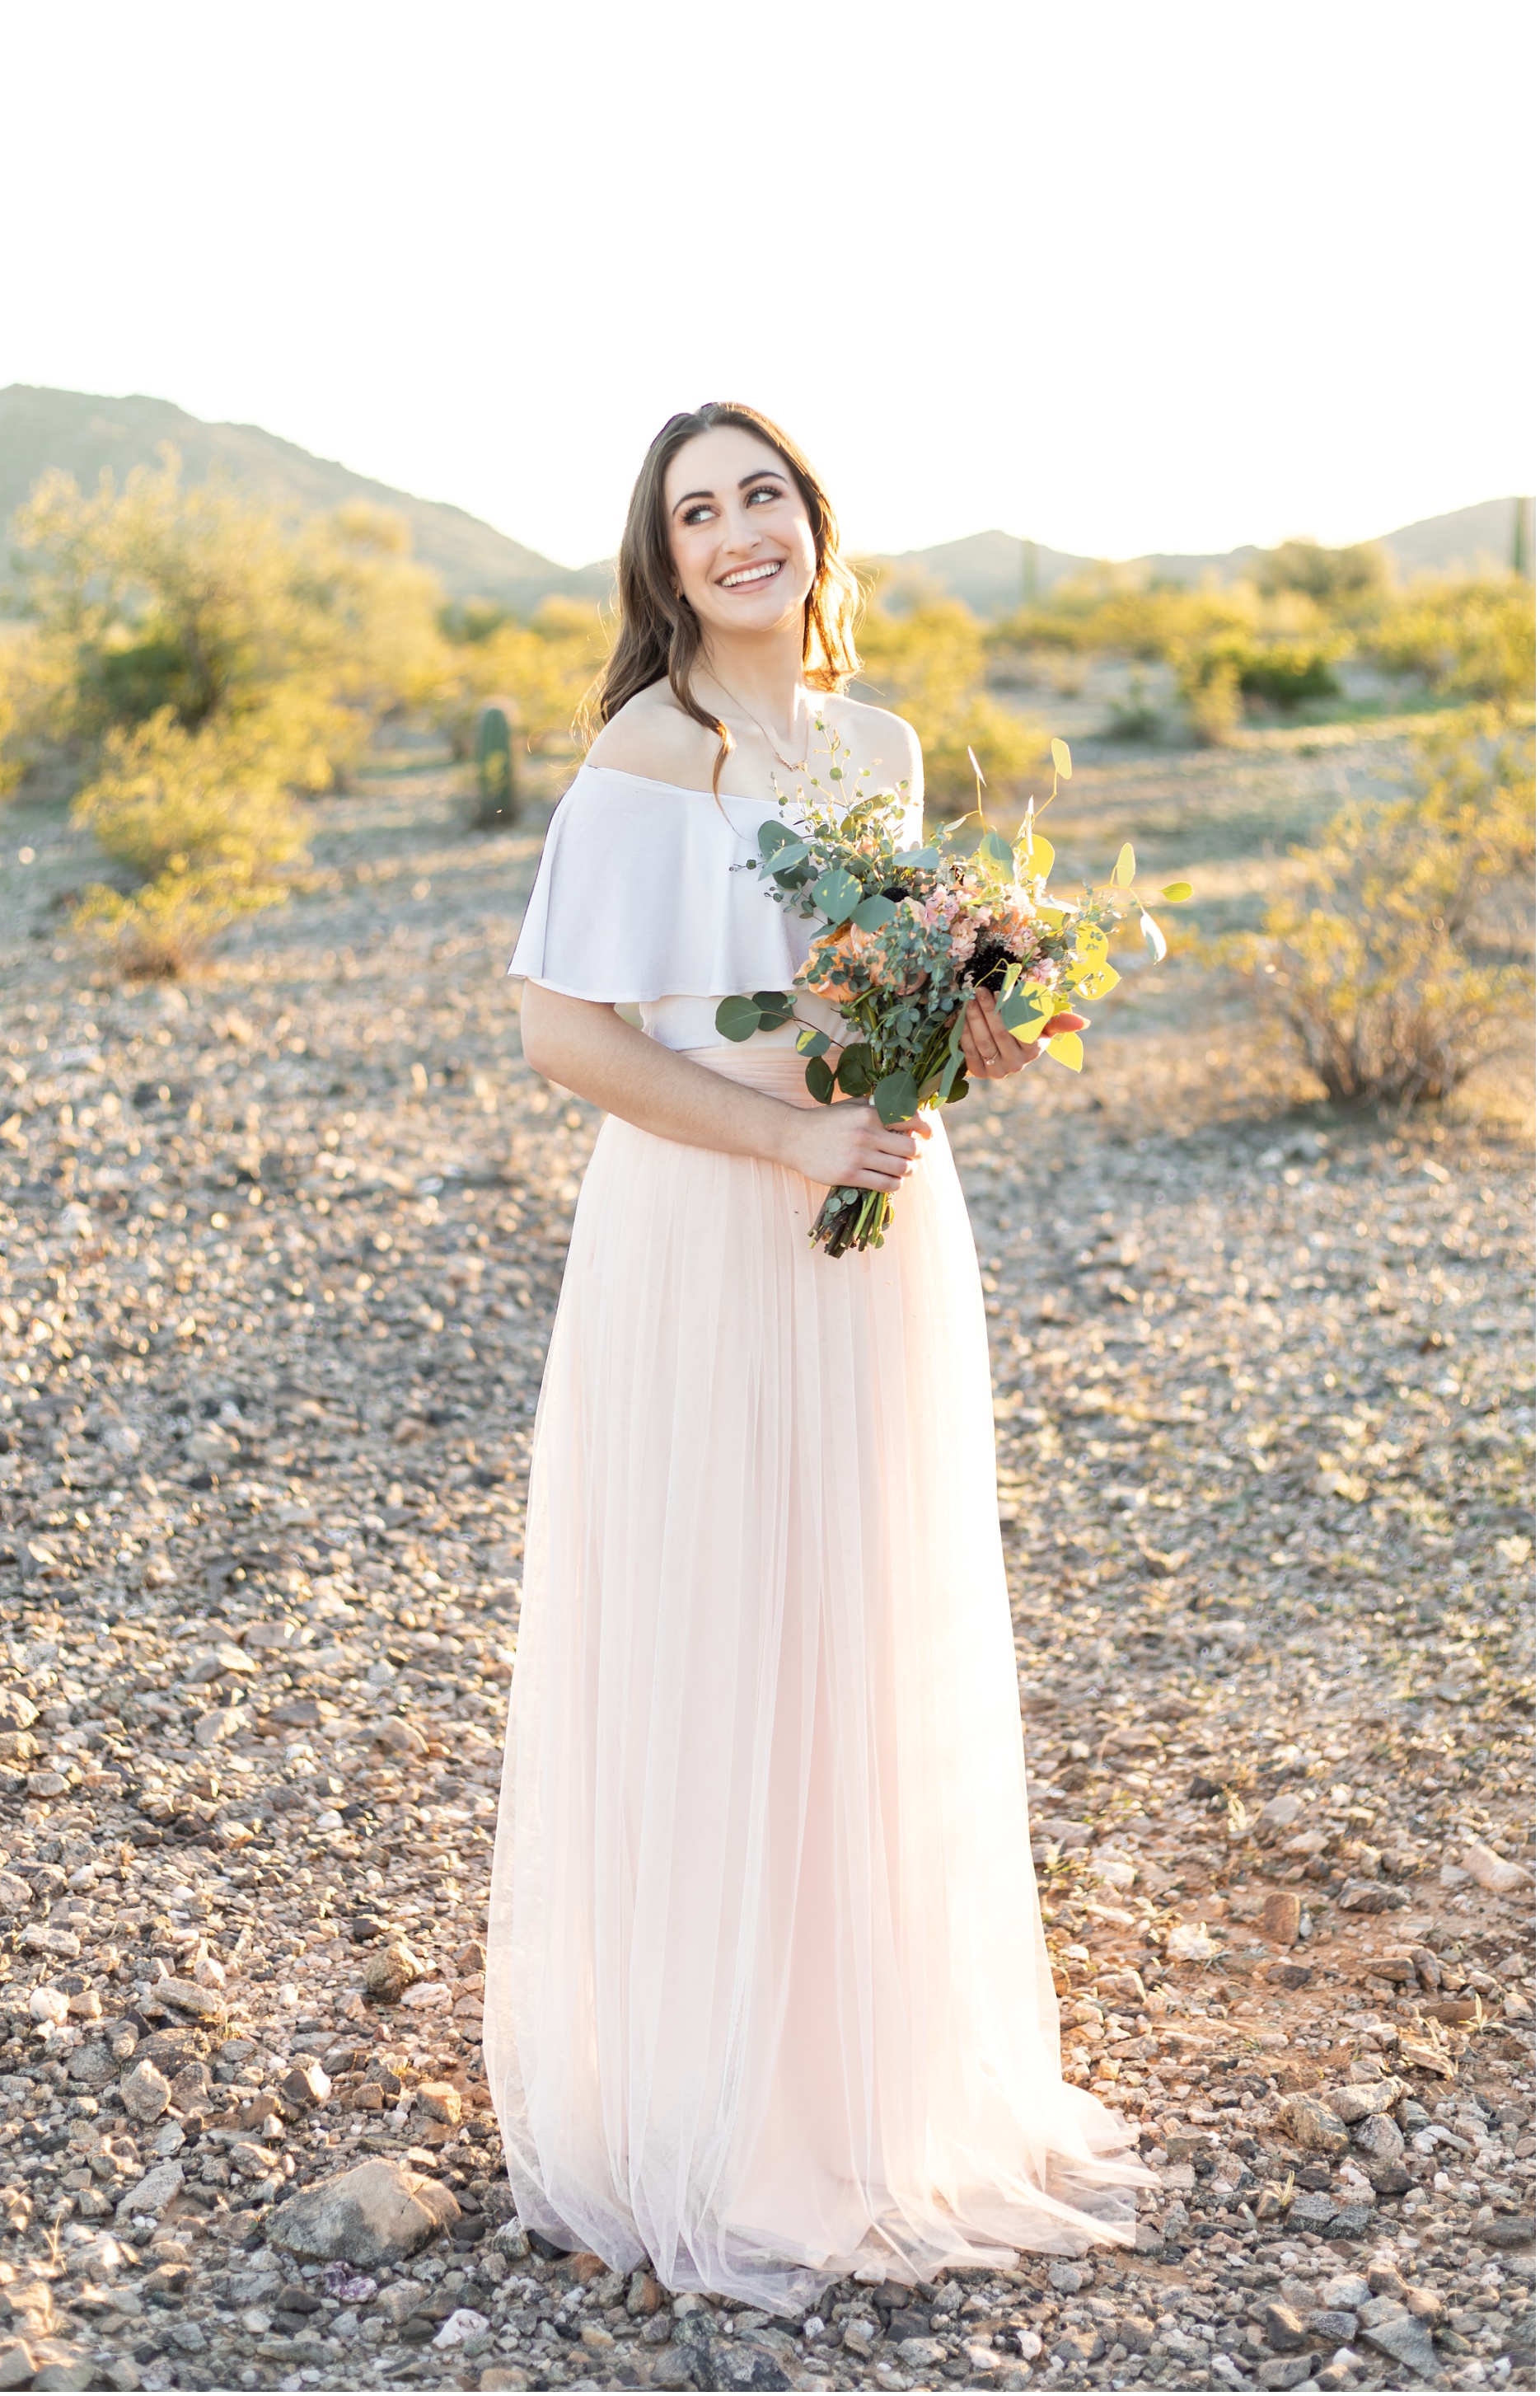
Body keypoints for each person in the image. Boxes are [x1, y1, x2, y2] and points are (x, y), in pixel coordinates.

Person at [488, 402, 1150, 2313]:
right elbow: (561, 1031)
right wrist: (781, 1136)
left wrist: (980, 1030)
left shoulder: (877, 747)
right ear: (664, 560)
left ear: (808, 519)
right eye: (693, 514)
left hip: (875, 1209)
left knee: (861, 1613)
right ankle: (716, 2093)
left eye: (757, 493)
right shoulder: (647, 751)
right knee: (720, 1621)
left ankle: (867, 2076)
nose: (732, 533)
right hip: (706, 1223)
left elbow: (884, 992)